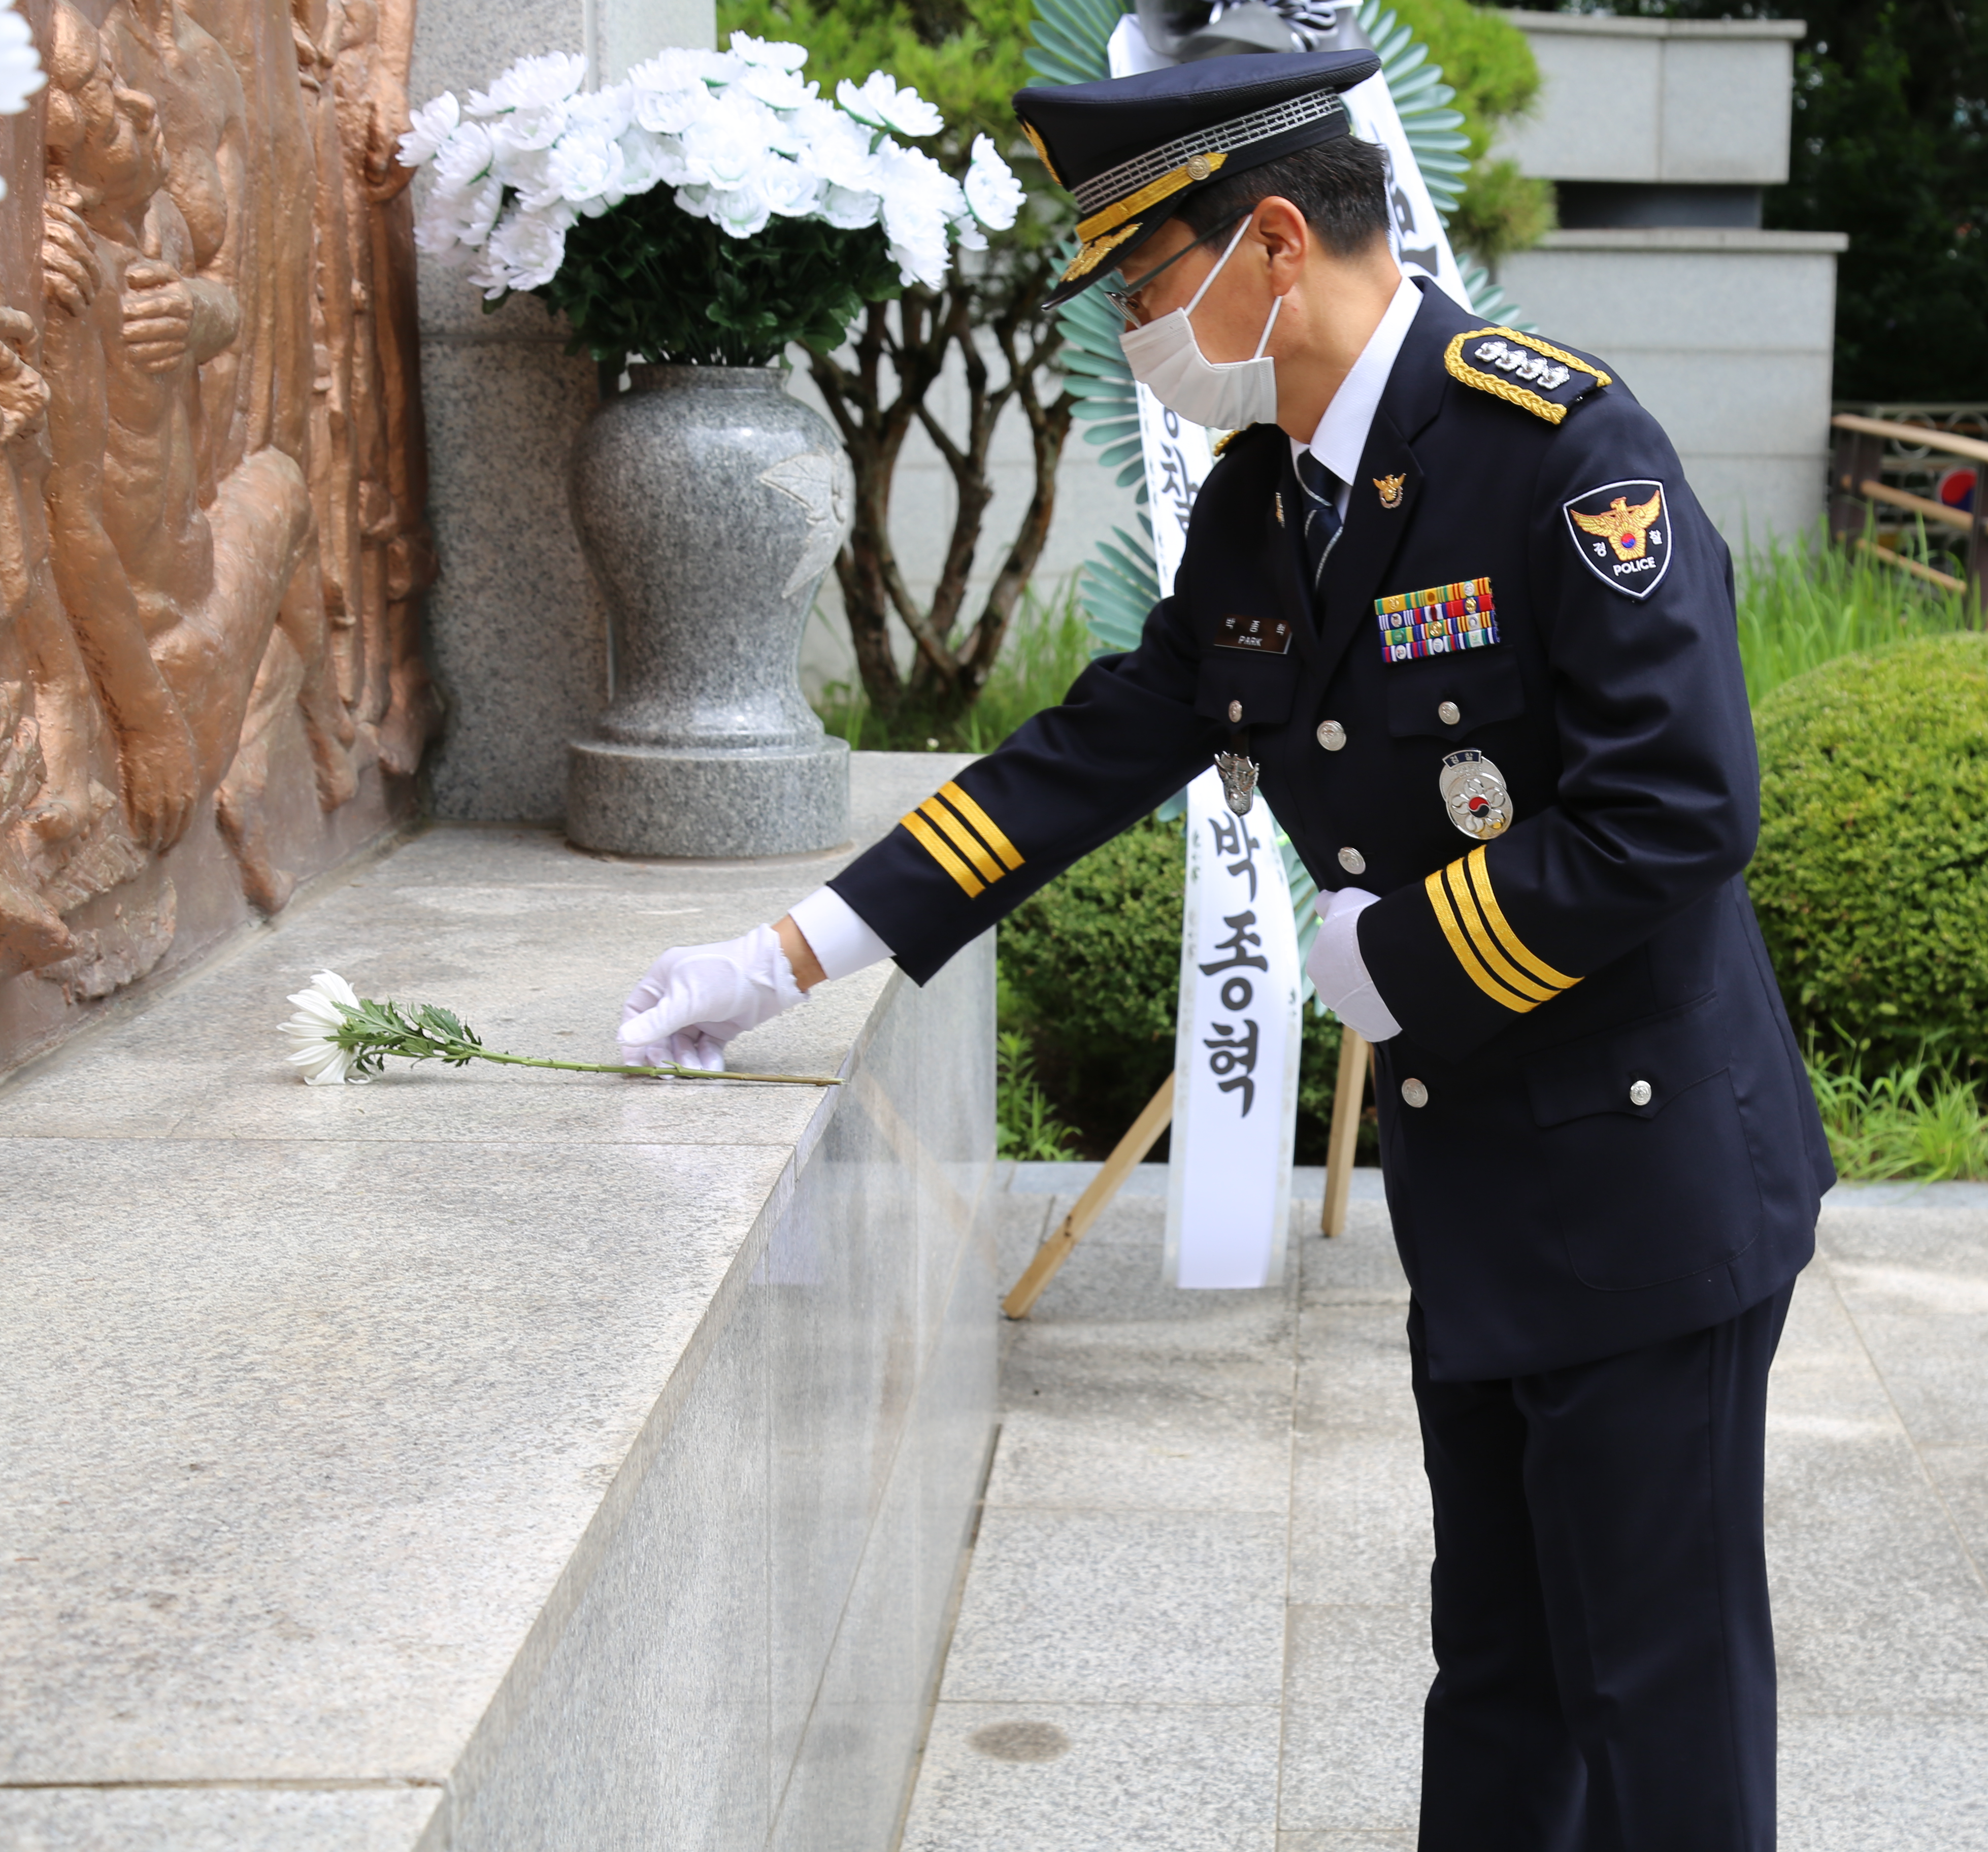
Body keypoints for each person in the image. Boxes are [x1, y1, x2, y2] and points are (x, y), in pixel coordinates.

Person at [615, 49, 1834, 1850]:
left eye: (1144, 285)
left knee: (1653, 1691)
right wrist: (792, 952)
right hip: (1489, 1181)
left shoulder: (1564, 450)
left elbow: (1677, 811)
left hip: (1647, 1181)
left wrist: (1408, 957)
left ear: (1274, 241)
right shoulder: (1267, 498)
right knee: (1495, 1666)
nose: (1135, 335)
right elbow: (1101, 745)